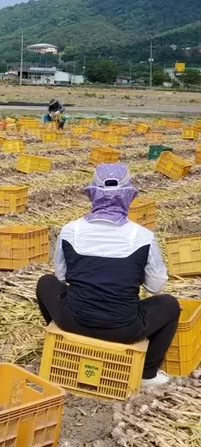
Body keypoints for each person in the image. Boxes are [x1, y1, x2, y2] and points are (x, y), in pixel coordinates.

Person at [36, 163, 180, 387]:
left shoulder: (70, 230)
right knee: (170, 305)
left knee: (45, 283)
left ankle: (68, 343)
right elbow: (155, 286)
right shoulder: (142, 236)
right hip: (124, 329)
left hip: (73, 320)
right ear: (127, 196)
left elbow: (61, 276)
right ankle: (148, 373)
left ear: (93, 193)